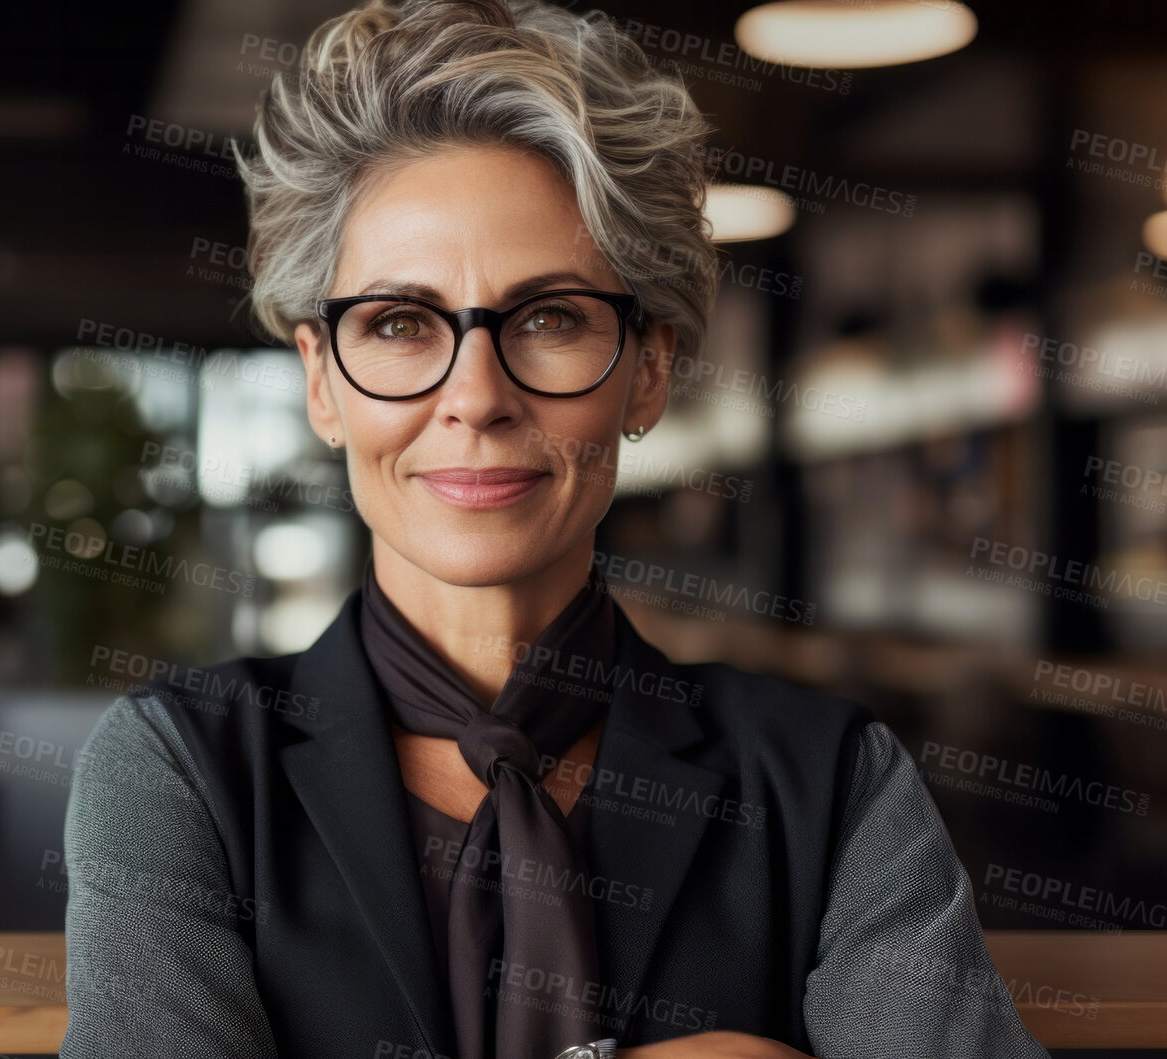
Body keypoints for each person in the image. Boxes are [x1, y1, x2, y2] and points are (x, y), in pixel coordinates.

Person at [59, 2, 1050, 1057]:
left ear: (648, 370)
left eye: (549, 318)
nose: (475, 397)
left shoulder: (828, 782)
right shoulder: (183, 769)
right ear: (320, 381)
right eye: (398, 324)